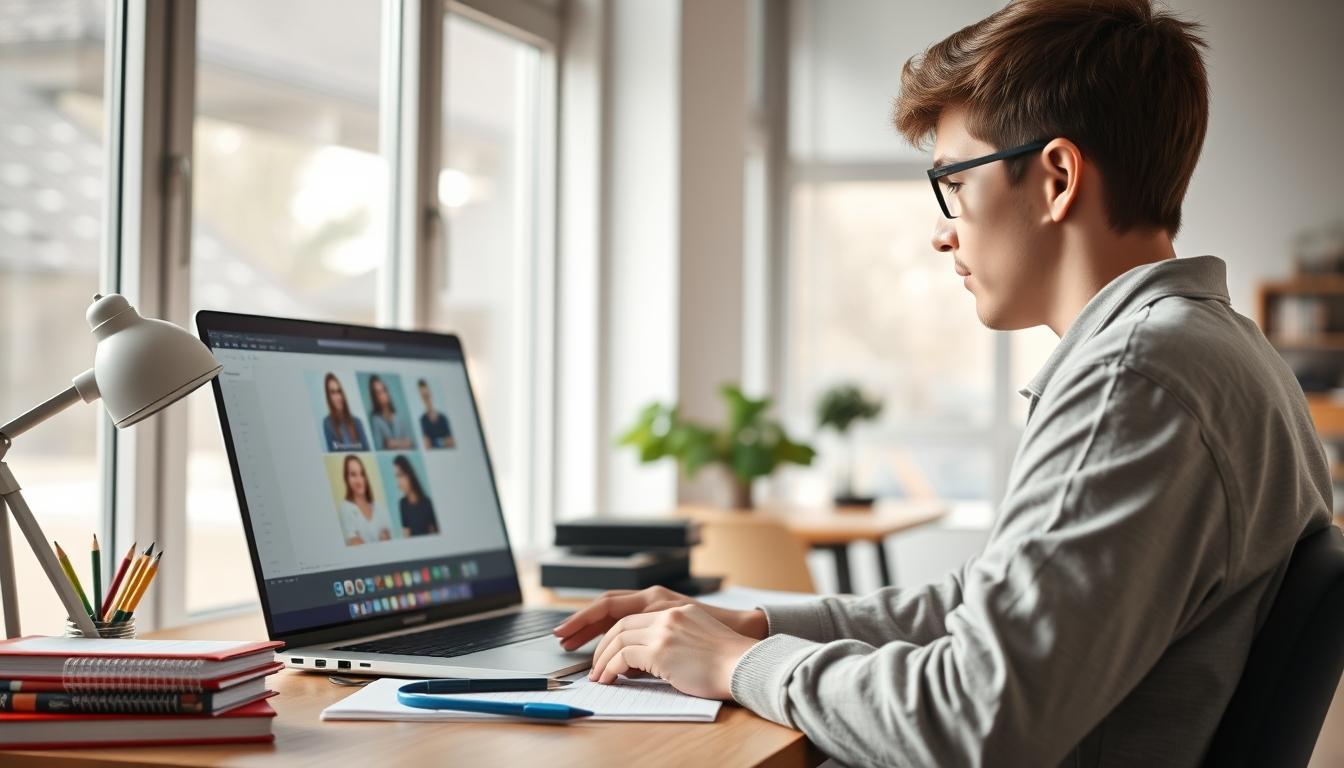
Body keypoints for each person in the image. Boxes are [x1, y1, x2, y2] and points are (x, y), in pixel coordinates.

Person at [552, 1, 1333, 765]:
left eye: (954, 182)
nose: (939, 229)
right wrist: (749, 625)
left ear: (1057, 177)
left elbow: (977, 720)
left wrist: (732, 666)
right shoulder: (1217, 350)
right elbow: (978, 606)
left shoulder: (1136, 379)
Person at [337, 455, 392, 546]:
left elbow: (389, 539)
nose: (359, 480)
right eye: (353, 475)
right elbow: (356, 545)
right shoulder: (345, 508)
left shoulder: (379, 506)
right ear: (346, 479)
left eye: (362, 474)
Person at [321, 372, 369, 452]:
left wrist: (343, 446)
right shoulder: (327, 423)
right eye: (333, 393)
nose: (338, 397)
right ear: (328, 397)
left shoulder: (357, 422)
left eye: (339, 391)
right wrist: (357, 446)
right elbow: (333, 451)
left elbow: (366, 449)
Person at [393, 454, 439, 537]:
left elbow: (434, 533)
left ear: (410, 474)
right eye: (397, 477)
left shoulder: (427, 503)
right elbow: (406, 534)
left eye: (401, 475)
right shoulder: (402, 503)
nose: (399, 482)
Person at [367, 374, 414, 450]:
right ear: (374, 397)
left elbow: (410, 442)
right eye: (378, 393)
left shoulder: (399, 416)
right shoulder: (375, 420)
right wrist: (401, 443)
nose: (383, 395)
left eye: (384, 390)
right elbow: (379, 447)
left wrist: (392, 443)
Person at [417, 379, 455, 449]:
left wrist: (435, 442)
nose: (426, 399)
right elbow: (427, 446)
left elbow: (451, 442)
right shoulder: (423, 420)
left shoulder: (443, 418)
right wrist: (443, 441)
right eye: (423, 396)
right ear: (421, 397)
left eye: (427, 395)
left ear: (431, 393)